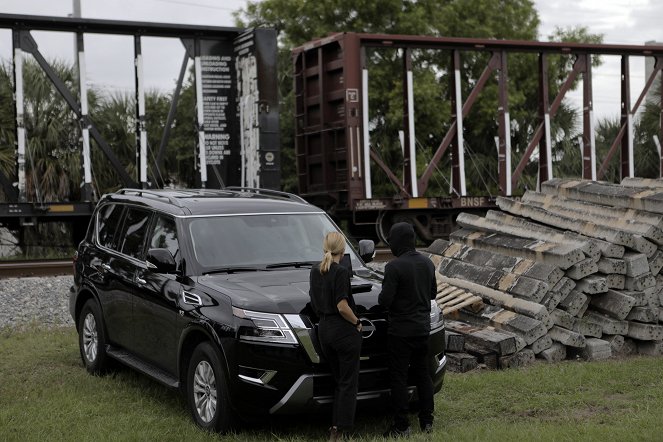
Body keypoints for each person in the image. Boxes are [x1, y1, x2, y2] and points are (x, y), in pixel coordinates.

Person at [378, 222, 436, 437]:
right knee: (423, 374)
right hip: (423, 328)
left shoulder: (393, 267)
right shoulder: (427, 263)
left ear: (397, 242)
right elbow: (432, 294)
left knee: (399, 377)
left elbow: (385, 301)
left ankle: (401, 425)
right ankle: (427, 422)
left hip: (400, 332)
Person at [309, 231, 363, 441]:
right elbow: (342, 306)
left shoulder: (315, 271)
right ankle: (339, 430)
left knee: (338, 380)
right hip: (343, 331)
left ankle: (333, 425)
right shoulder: (340, 272)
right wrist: (357, 323)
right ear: (343, 249)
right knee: (348, 382)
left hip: (324, 330)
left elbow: (314, 301)